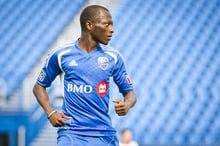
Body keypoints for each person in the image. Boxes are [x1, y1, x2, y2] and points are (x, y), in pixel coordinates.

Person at [33, 5, 136, 146]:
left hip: (103, 134)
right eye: (107, 24)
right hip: (72, 133)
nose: (112, 30)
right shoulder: (61, 55)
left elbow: (130, 93)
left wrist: (127, 104)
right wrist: (50, 112)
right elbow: (39, 87)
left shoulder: (113, 57)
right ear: (89, 25)